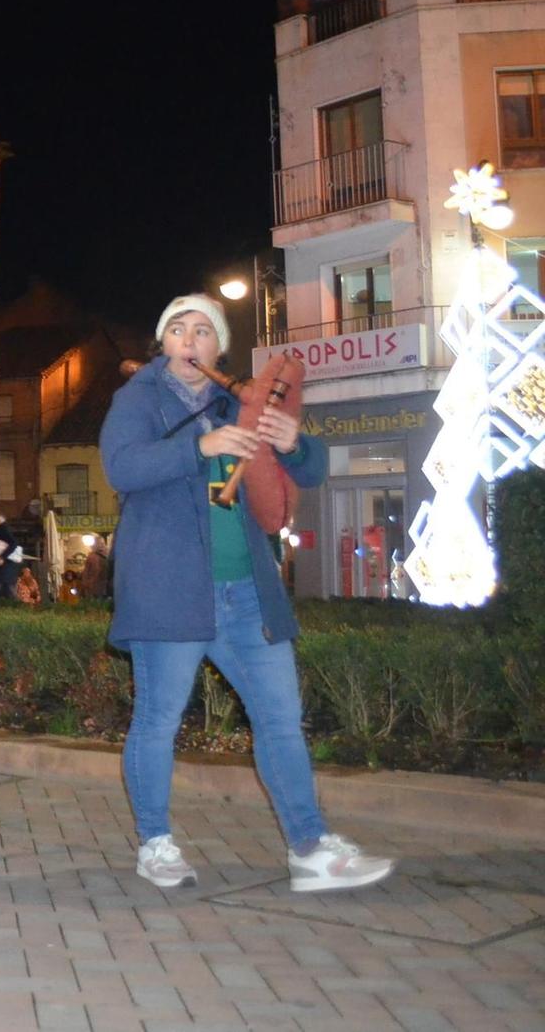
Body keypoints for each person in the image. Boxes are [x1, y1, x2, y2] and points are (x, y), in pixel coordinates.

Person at [103, 294, 393, 894]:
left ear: (219, 348)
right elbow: (121, 468)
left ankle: (310, 848)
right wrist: (199, 448)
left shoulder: (242, 399)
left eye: (202, 331)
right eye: (177, 330)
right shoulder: (138, 399)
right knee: (157, 721)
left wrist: (293, 442)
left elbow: (311, 471)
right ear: (163, 344)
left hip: (247, 593)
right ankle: (155, 843)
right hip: (171, 589)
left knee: (282, 720)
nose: (190, 340)